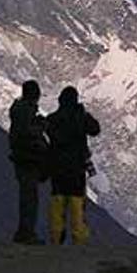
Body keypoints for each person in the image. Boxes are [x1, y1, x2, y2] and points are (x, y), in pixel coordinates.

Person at [46, 86, 100, 245]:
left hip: (57, 169)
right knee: (77, 207)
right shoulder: (81, 118)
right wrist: (82, 113)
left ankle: (56, 240)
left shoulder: (52, 119)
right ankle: (79, 241)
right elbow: (95, 129)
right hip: (76, 170)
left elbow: (47, 133)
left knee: (57, 205)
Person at [8, 80, 49, 245]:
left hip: (22, 159)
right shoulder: (25, 113)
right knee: (29, 198)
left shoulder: (20, 111)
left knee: (27, 197)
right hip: (28, 160)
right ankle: (26, 234)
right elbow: (28, 135)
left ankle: (24, 232)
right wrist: (41, 128)